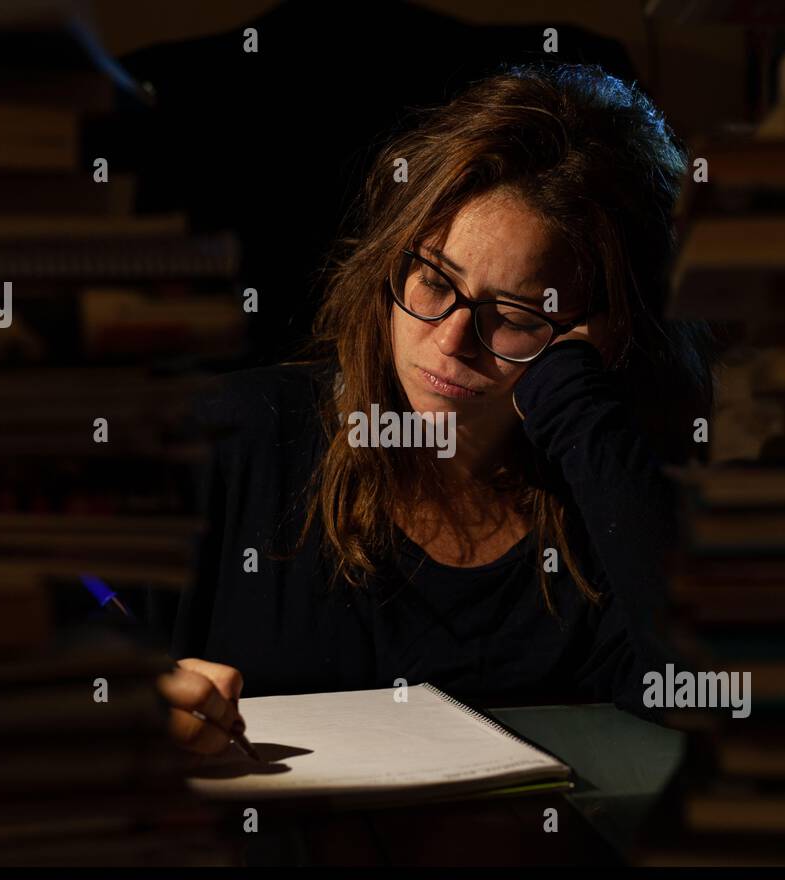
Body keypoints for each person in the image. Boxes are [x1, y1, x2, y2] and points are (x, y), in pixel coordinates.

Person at [157, 62, 717, 756]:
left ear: (605, 337)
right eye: (432, 281)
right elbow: (70, 605)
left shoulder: (608, 497)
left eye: (512, 315)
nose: (451, 342)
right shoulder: (236, 431)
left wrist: (576, 399)